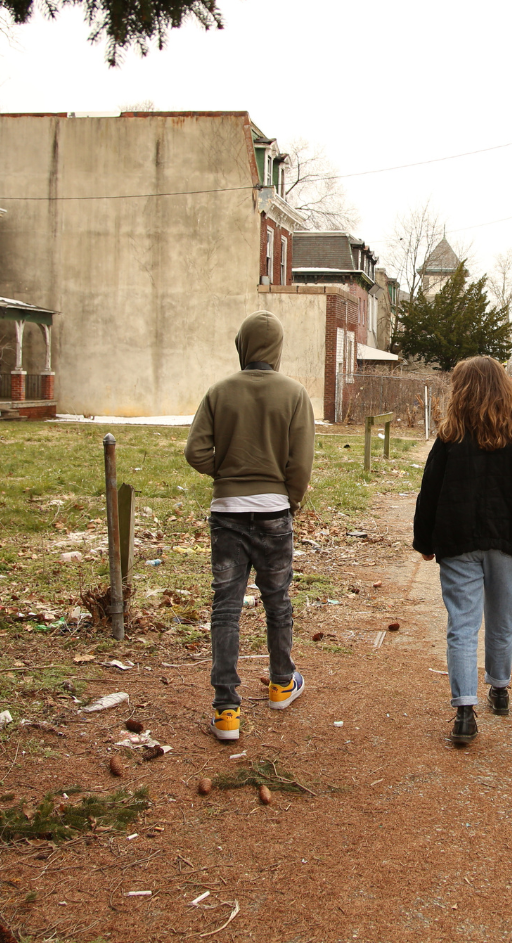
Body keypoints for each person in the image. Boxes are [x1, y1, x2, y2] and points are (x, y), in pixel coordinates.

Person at [185, 311, 315, 742]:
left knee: (226, 608)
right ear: (276, 349)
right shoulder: (294, 394)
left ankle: (226, 712)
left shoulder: (219, 392)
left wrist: (227, 474)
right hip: (275, 510)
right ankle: (281, 684)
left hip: (227, 514)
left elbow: (196, 452)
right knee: (277, 601)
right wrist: (289, 499)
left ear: (242, 344)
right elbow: (300, 463)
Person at [413, 356, 512, 746]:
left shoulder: (450, 436)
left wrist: (424, 542)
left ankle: (464, 711)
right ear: (503, 385)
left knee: (462, 623)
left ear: (461, 389)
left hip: (457, 541)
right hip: (509, 538)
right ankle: (500, 690)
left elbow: (430, 495)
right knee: (503, 618)